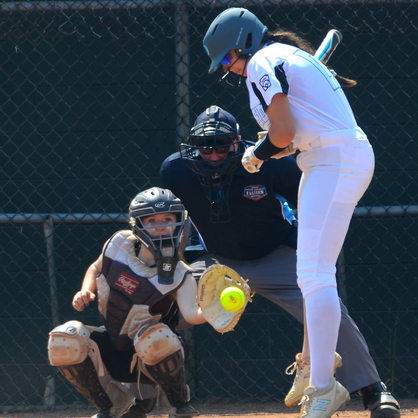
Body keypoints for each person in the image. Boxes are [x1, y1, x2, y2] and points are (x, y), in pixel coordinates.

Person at [202, 7, 391, 418]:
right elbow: (291, 138)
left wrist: (258, 153)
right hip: (327, 158)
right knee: (312, 273)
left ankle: (324, 386)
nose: (231, 70)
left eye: (229, 59)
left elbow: (283, 134)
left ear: (244, 44)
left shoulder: (264, 61)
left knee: (315, 275)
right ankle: (313, 366)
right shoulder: (287, 57)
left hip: (333, 160)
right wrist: (271, 146)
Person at [160, 105, 401, 418]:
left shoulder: (269, 164)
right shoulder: (176, 171)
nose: (213, 155)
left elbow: (311, 196)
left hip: (275, 253)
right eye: (205, 147)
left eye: (221, 145)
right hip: (213, 259)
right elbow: (170, 224)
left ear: (238, 142)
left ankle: (372, 390)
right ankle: (139, 399)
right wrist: (169, 272)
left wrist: (309, 249)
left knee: (323, 301)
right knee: (155, 303)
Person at [47, 187, 205, 418]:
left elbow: (191, 315)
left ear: (179, 223)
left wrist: (216, 310)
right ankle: (109, 407)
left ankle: (179, 406)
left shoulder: (181, 274)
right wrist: (85, 290)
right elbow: (95, 267)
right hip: (115, 345)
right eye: (152, 220)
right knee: (64, 338)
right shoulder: (118, 244)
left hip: (155, 355)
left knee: (156, 337)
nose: (160, 226)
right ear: (138, 224)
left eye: (167, 219)